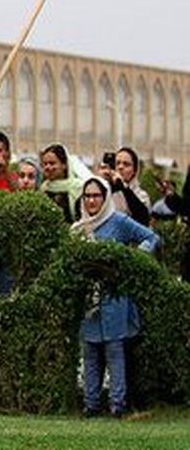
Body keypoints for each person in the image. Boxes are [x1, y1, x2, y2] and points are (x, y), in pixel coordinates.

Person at [71, 177, 159, 418]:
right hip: (88, 300)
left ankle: (117, 406)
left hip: (115, 297)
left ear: (106, 197)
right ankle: (91, 406)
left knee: (114, 350)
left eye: (96, 196)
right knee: (89, 351)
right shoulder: (78, 228)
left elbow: (151, 237)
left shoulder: (118, 221)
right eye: (87, 196)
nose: (91, 200)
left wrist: (132, 259)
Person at [106, 147, 151, 224]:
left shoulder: (142, 195)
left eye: (126, 164)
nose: (120, 167)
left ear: (134, 170)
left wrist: (124, 188)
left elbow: (143, 219)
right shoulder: (107, 189)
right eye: (118, 163)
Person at [40, 144, 81, 222]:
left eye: (52, 163)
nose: (48, 167)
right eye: (45, 164)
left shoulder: (78, 187)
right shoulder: (44, 188)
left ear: (64, 165)